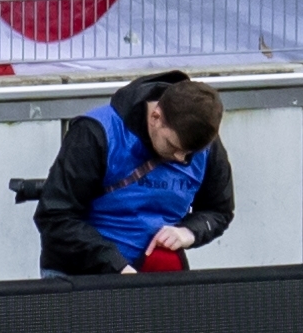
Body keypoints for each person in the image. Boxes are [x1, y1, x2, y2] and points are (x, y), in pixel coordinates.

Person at [31, 68, 234, 276]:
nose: (181, 159)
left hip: (153, 269)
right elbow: (54, 217)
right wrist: (116, 266)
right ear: (156, 117)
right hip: (80, 271)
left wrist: (189, 231)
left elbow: (219, 211)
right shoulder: (95, 133)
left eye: (190, 153)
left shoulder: (200, 142)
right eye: (173, 146)